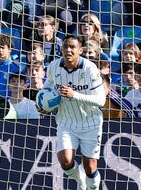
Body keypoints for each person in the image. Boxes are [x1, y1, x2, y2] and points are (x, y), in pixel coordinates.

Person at [38, 35, 106, 190]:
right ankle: (80, 181)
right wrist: (42, 104)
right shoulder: (54, 67)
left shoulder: (90, 69)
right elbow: (47, 88)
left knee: (90, 167)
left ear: (80, 50)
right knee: (66, 161)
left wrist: (74, 94)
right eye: (65, 47)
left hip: (90, 123)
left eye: (72, 47)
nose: (68, 50)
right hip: (66, 122)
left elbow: (101, 101)